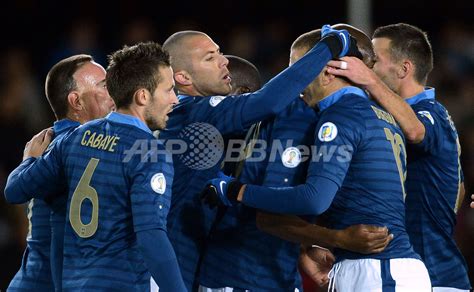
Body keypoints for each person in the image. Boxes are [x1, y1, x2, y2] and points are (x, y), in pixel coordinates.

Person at [202, 24, 432, 291]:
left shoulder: (336, 116)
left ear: (327, 70)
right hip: (389, 266)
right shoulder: (386, 116)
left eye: (301, 69)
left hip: (375, 268)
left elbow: (306, 202)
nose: (295, 84)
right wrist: (316, 243)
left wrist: (235, 191)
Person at [160, 26, 359, 290]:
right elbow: (267, 102)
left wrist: (301, 249)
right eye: (210, 58)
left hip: (191, 263)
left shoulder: (202, 123)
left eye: (219, 52)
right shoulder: (190, 112)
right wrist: (329, 46)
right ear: (182, 77)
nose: (224, 60)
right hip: (171, 265)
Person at [5, 42, 186, 291]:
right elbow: (151, 235)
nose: (176, 99)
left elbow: (15, 191)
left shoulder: (71, 140)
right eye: (169, 90)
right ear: (142, 96)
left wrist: (29, 160)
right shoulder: (148, 151)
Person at [326, 23, 471, 292]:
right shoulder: (394, 116)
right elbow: (459, 188)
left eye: (375, 60)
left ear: (404, 69)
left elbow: (416, 131)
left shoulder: (431, 113)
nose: (366, 67)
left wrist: (369, 81)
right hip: (414, 272)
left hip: (434, 275)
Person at [6, 54, 115, 292]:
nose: (114, 91)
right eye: (104, 86)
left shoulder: (51, 143)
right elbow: (13, 191)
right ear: (76, 102)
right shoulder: (74, 146)